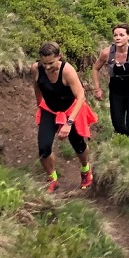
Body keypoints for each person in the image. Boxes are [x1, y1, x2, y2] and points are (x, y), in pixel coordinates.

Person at [32, 41, 98, 192]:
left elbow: (81, 96)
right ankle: (52, 179)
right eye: (44, 63)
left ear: (59, 57)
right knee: (44, 148)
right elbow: (36, 86)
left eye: (51, 63)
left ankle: (85, 169)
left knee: (78, 144)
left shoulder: (67, 71)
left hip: (71, 109)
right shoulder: (36, 69)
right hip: (49, 109)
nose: (47, 67)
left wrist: (69, 123)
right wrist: (39, 106)